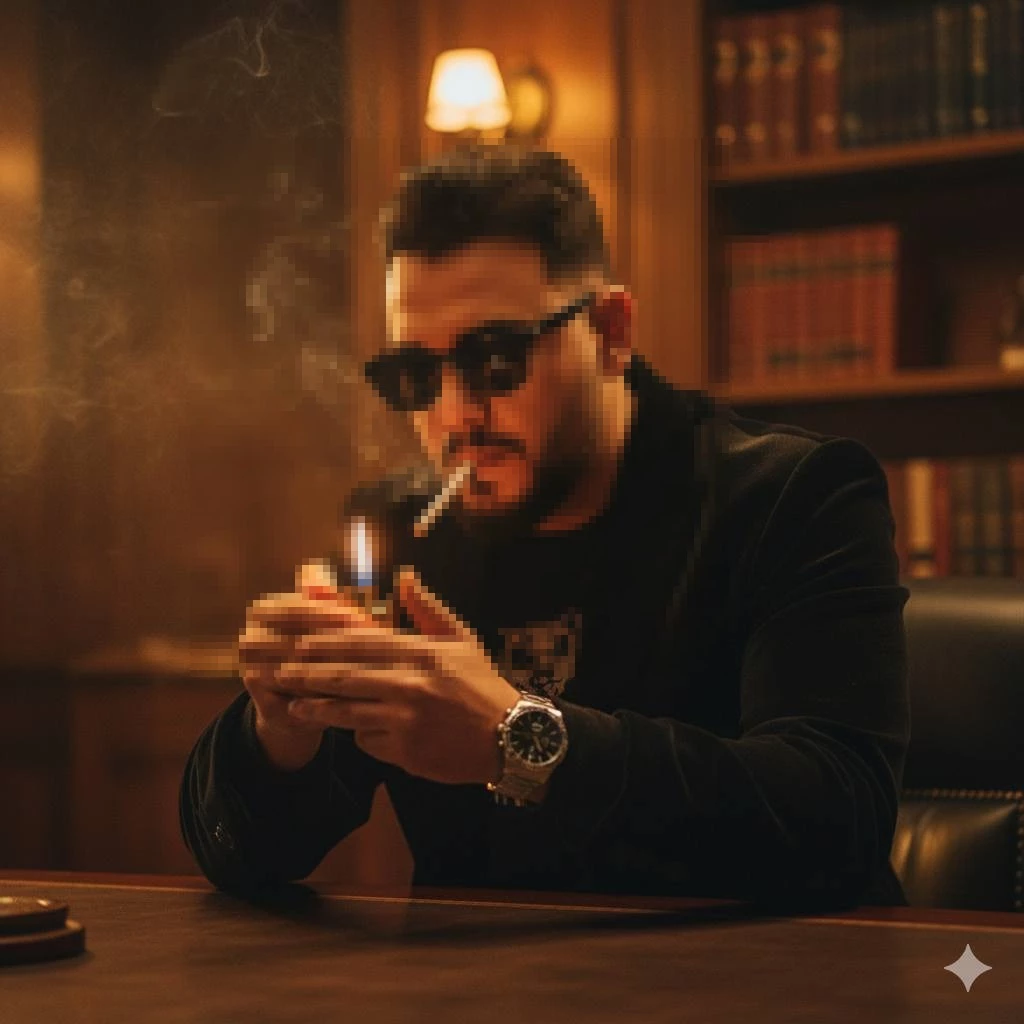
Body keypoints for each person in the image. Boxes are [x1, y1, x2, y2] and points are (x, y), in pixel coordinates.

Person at [180, 143, 911, 912]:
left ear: (611, 331)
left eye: (495, 359)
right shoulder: (405, 534)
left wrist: (519, 741)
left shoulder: (791, 497)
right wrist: (279, 734)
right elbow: (242, 856)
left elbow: (838, 821)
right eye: (418, 377)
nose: (455, 413)